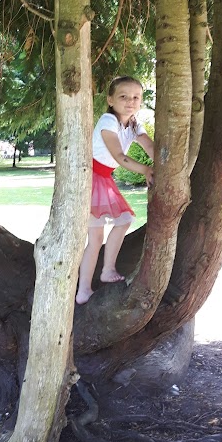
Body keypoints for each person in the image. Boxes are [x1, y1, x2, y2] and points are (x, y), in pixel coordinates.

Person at [76, 76, 154, 305]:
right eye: (123, 96)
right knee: (96, 236)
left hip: (103, 178)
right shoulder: (108, 121)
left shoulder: (133, 124)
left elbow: (148, 145)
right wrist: (146, 170)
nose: (130, 101)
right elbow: (120, 157)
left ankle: (104, 272)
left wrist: (164, 163)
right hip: (91, 178)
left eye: (136, 97)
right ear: (110, 99)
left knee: (123, 220)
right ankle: (85, 288)